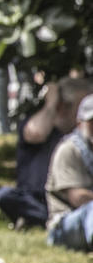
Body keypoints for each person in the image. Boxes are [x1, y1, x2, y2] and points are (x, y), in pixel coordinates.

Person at [0, 77, 93, 229]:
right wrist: (51, 102)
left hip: (66, 201)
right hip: (33, 199)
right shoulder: (42, 126)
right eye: (80, 106)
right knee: (5, 195)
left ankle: (33, 220)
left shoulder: (82, 140)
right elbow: (36, 133)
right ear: (63, 107)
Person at [46, 94, 93, 252]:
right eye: (92, 122)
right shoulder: (68, 149)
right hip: (65, 226)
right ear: (80, 124)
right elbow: (78, 198)